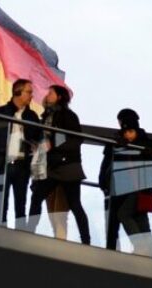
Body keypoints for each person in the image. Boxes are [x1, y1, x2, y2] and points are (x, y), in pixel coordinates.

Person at [99, 109, 152, 257]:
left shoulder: (145, 144)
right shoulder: (117, 142)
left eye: (130, 131)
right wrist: (104, 184)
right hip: (121, 190)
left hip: (137, 189)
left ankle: (142, 250)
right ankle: (146, 254)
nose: (127, 134)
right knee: (134, 221)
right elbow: (106, 165)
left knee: (126, 217)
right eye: (125, 130)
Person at [26, 85, 91, 244]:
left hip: (66, 166)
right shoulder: (47, 116)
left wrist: (52, 145)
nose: (47, 95)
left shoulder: (68, 115)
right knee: (37, 197)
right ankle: (29, 232)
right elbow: (48, 139)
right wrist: (39, 146)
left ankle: (86, 241)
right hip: (51, 166)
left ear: (59, 97)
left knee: (74, 204)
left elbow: (75, 139)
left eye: (51, 93)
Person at [0, 79, 41, 228]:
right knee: (2, 206)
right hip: (3, 165)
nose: (31, 96)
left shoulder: (32, 117)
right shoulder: (0, 113)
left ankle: (20, 238)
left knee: (21, 208)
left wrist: (35, 150)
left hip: (23, 167)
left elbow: (40, 139)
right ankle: (0, 236)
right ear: (17, 92)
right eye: (29, 92)